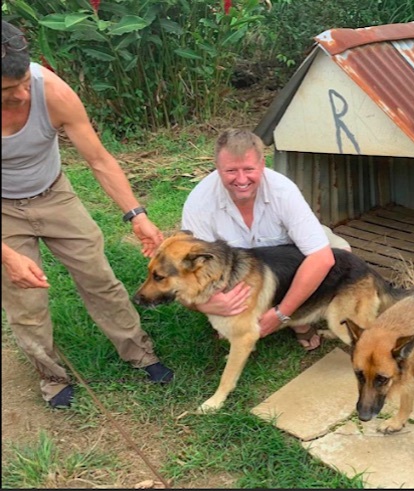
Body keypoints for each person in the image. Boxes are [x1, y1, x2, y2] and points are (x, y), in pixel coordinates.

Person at [1, 20, 174, 409]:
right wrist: (8, 255)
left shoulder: (54, 94)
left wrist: (137, 215)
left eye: (24, 80)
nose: (23, 93)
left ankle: (139, 352)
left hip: (54, 194)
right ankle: (51, 375)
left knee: (99, 277)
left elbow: (98, 159)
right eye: (9, 90)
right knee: (24, 302)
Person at [181, 128, 351, 351]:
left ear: (262, 165)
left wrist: (282, 314)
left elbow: (321, 257)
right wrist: (207, 305)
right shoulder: (198, 202)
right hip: (239, 269)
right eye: (231, 170)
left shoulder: (283, 190)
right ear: (218, 169)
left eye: (249, 169)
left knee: (342, 255)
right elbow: (186, 272)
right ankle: (238, 316)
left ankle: (299, 319)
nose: (241, 180)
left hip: (285, 256)